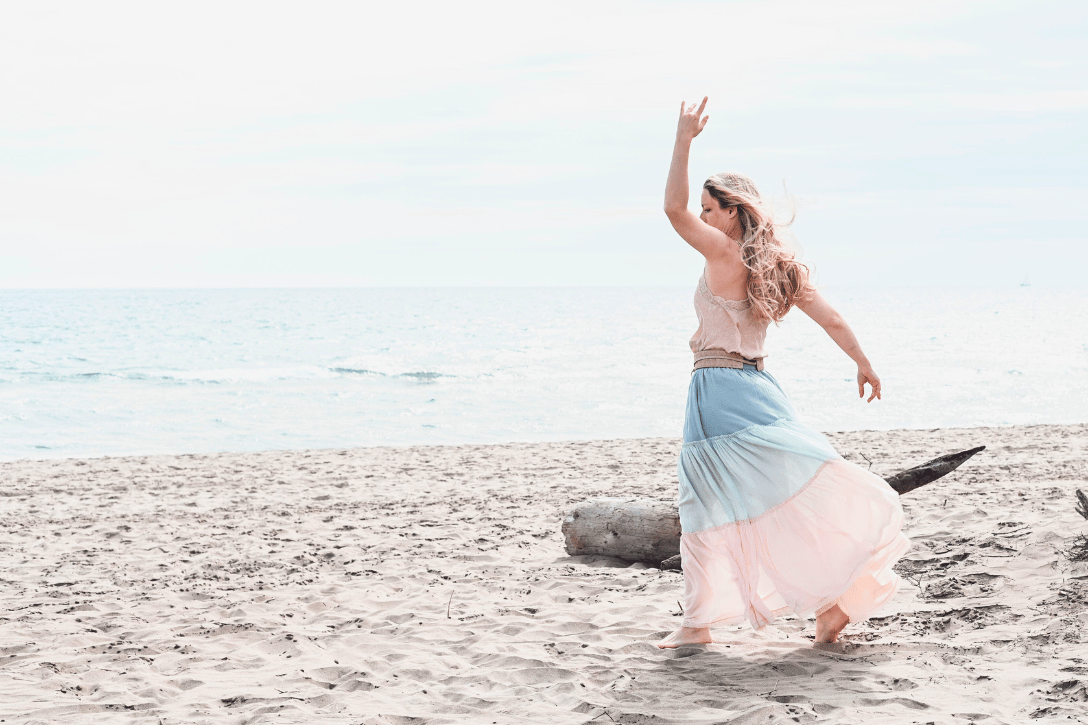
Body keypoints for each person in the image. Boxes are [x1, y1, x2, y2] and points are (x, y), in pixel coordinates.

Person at [657, 97, 910, 647]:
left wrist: (682, 139)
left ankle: (697, 625)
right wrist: (863, 363)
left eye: (709, 208)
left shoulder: (723, 253)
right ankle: (830, 605)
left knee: (701, 503)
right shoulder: (776, 264)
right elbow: (832, 319)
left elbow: (672, 210)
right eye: (703, 209)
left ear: (732, 212)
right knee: (779, 500)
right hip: (759, 387)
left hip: (716, 388)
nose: (702, 217)